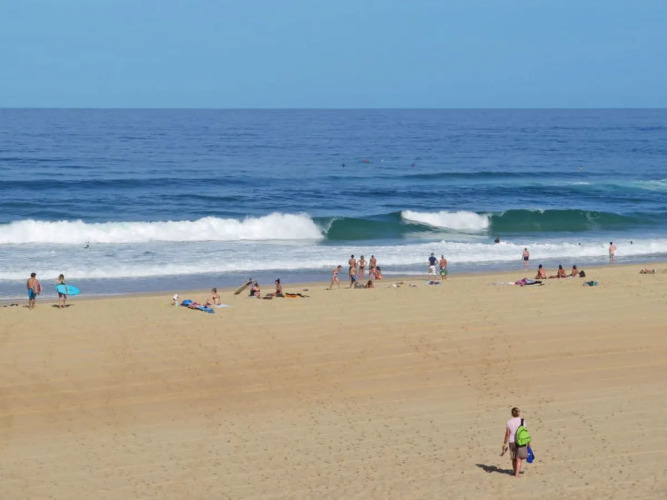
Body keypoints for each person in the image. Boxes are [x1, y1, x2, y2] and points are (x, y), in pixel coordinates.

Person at [502, 407, 531, 478]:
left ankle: (515, 471)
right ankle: (517, 474)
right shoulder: (522, 421)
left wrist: (504, 443)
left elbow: (507, 433)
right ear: (518, 413)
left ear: (512, 414)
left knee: (514, 457)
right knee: (519, 458)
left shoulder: (509, 422)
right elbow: (525, 432)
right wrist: (528, 442)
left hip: (512, 441)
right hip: (521, 440)